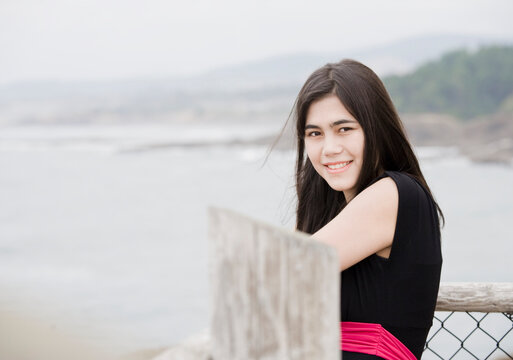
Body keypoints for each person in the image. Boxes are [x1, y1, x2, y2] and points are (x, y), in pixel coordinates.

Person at [287, 59, 444, 359]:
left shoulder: (395, 192)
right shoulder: (337, 213)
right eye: (314, 134)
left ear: (376, 128)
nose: (329, 148)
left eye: (343, 128)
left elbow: (277, 273)